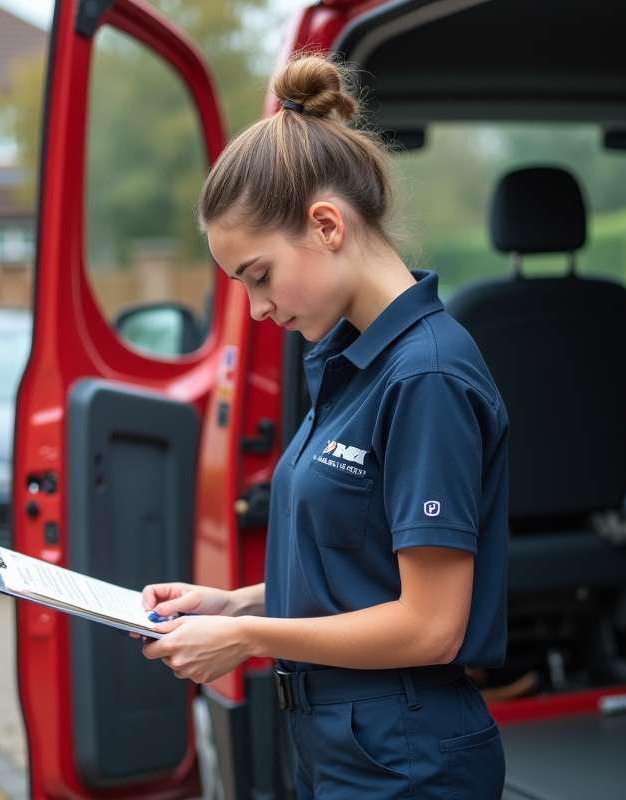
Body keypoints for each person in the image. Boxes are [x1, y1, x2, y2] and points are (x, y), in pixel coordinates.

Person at [139, 53, 509, 800]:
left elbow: (431, 627)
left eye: (259, 275)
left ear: (327, 225)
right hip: (341, 742)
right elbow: (361, 568)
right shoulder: (353, 362)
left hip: (404, 755)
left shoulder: (426, 376)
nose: (256, 308)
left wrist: (247, 637)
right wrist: (235, 602)